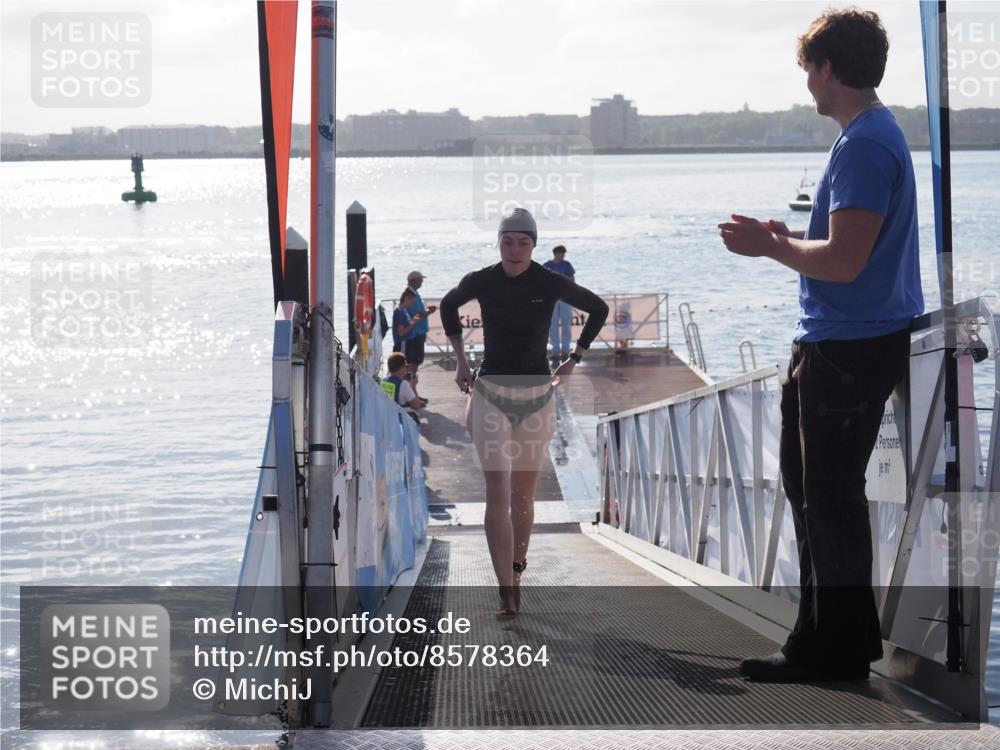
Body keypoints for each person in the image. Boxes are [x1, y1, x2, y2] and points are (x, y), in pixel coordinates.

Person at [718, 8, 922, 682]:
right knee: (819, 495)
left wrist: (771, 247)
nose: (806, 80)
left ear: (830, 68)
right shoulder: (871, 136)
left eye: (809, 67)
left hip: (848, 348)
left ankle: (829, 652)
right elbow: (845, 250)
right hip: (847, 343)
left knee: (827, 499)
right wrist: (786, 236)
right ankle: (834, 641)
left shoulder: (864, 144)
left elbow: (844, 263)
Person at [439, 207, 609, 620]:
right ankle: (505, 592)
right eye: (508, 241)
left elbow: (598, 308)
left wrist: (574, 358)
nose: (515, 250)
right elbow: (447, 306)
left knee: (522, 496)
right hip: (491, 394)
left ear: (533, 245)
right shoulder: (483, 279)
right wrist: (460, 360)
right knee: (497, 489)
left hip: (536, 397)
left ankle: (517, 569)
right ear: (498, 243)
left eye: (523, 242)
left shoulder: (548, 281)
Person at [406, 271, 437, 406]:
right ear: (414, 280)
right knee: (412, 365)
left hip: (417, 334)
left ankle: (414, 394)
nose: (422, 282)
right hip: (414, 335)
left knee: (414, 365)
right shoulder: (410, 294)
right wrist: (429, 312)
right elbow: (415, 315)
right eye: (420, 280)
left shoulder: (413, 293)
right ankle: (412, 396)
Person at [543, 245, 576, 359]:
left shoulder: (567, 265)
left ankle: (566, 349)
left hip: (565, 298)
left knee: (566, 324)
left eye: (564, 254)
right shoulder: (547, 266)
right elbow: (542, 282)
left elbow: (572, 280)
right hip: (552, 299)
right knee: (553, 325)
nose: (563, 256)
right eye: (561, 253)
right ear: (556, 253)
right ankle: (555, 349)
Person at [392, 289, 424, 397]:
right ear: (406, 298)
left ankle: (412, 394)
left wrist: (412, 322)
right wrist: (413, 323)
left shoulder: (404, 310)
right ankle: (406, 396)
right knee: (402, 369)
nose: (412, 304)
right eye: (411, 301)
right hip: (403, 344)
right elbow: (401, 332)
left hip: (408, 343)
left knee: (408, 370)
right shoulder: (400, 311)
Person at [381, 352, 422, 424]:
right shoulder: (403, 384)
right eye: (405, 366)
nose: (407, 369)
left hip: (386, 420)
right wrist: (413, 386)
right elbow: (416, 406)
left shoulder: (383, 381)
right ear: (401, 368)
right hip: (400, 423)